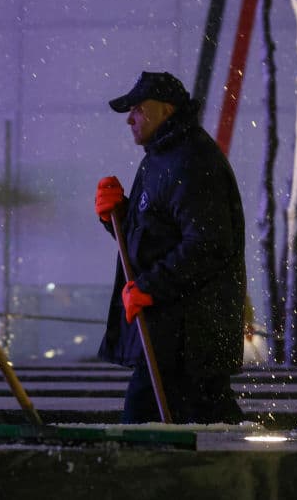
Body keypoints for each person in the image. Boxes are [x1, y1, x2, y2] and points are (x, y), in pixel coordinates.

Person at [94, 71, 246, 424]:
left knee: (143, 424)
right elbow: (158, 237)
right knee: (204, 418)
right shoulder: (162, 158)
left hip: (186, 337)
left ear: (165, 110)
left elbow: (208, 244)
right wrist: (116, 215)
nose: (130, 118)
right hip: (175, 335)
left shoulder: (190, 161)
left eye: (137, 109)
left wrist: (150, 287)